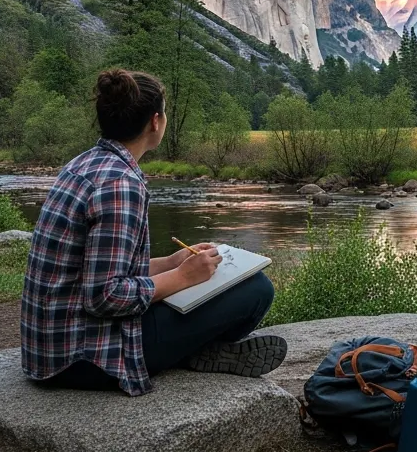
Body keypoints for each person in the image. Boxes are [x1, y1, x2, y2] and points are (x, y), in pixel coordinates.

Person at [21, 69, 286, 395]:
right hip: (83, 360)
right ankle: (195, 351)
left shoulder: (84, 164)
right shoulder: (121, 184)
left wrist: (170, 264)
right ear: (155, 122)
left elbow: (93, 271)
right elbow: (104, 297)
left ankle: (194, 351)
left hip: (50, 348)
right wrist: (184, 278)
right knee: (256, 289)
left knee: (202, 288)